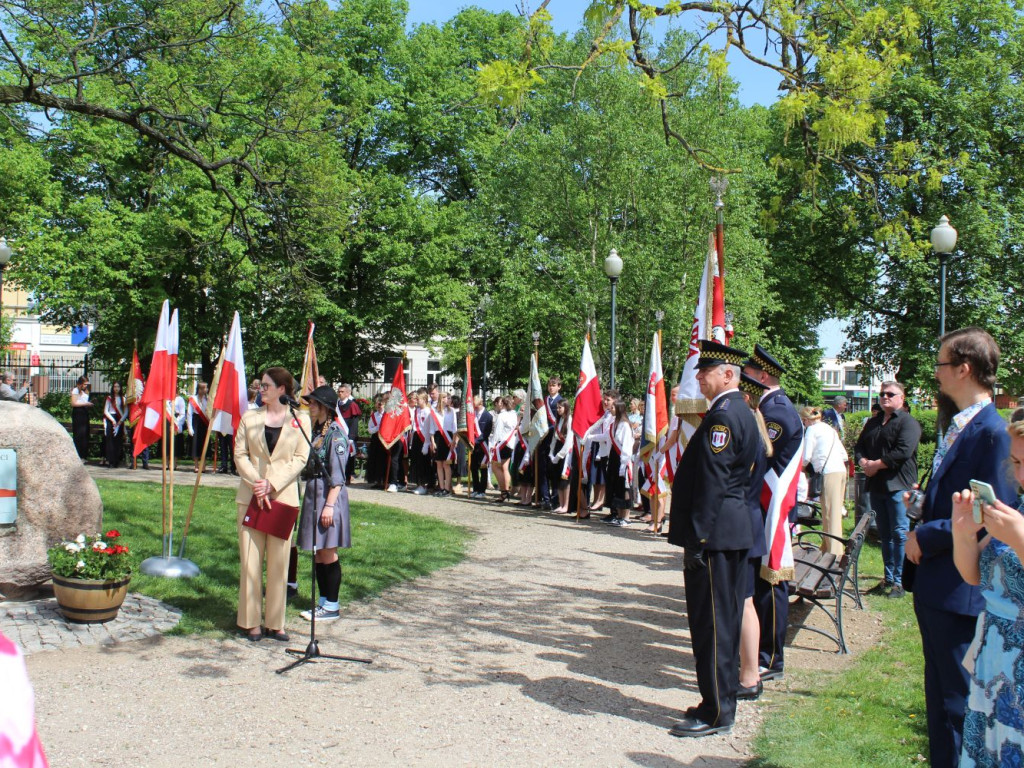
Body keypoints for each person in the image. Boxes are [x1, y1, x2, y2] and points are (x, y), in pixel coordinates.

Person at [904, 327, 1015, 768]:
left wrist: (925, 535)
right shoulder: (962, 423)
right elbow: (959, 498)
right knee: (940, 696)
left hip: (958, 587)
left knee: (956, 702)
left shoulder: (992, 432)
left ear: (963, 368)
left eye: (941, 364)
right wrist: (924, 503)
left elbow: (993, 514)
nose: (936, 374)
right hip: (938, 583)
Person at [667, 341, 757, 738]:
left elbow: (715, 483)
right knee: (716, 622)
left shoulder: (724, 416)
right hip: (727, 532)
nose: (698, 377)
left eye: (706, 371)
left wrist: (698, 538)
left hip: (715, 537)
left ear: (728, 375)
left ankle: (718, 712)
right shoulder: (736, 411)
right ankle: (713, 700)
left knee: (715, 625)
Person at [951, 410, 1024, 767]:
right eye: (1016, 462)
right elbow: (975, 576)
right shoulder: (1020, 507)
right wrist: (963, 532)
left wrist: (1020, 540)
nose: (1021, 474)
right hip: (994, 661)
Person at [233, 367, 311, 642]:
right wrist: (258, 482)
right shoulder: (249, 417)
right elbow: (240, 454)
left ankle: (275, 622)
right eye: (260, 386)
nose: (260, 389)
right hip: (251, 497)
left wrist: (272, 483)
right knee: (251, 563)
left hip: (282, 498)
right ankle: (250, 621)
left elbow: (301, 458)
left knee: (279, 563)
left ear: (282, 389)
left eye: (266, 386)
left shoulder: (299, 419)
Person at [742, 344, 803, 682]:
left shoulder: (776, 412)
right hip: (764, 503)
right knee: (763, 581)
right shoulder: (772, 407)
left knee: (770, 581)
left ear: (762, 376)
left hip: (770, 504)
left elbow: (762, 460)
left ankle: (771, 657)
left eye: (748, 374)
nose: (743, 379)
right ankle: (762, 653)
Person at [854, 380, 921, 599]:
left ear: (902, 397)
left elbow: (903, 451)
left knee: (900, 534)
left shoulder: (908, 423)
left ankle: (900, 582)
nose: (885, 397)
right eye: (882, 394)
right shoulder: (873, 423)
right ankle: (888, 578)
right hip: (878, 485)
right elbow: (860, 446)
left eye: (891, 394)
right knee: (885, 534)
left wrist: (876, 465)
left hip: (899, 486)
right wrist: (864, 461)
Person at [296, 385, 351, 622]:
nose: (311, 407)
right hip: (314, 494)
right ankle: (323, 601)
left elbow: (337, 477)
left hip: (328, 496)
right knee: (318, 552)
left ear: (326, 409)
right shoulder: (318, 432)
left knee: (328, 552)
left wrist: (329, 506)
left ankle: (332, 605)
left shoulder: (335, 434)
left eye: (315, 404)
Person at [800, 405, 849, 556]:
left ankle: (835, 553)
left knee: (830, 514)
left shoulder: (812, 430)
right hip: (840, 471)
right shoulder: (829, 429)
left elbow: (806, 457)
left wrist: (800, 468)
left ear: (806, 420)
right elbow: (844, 455)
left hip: (829, 473)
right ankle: (827, 547)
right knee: (832, 511)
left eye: (803, 421)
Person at [605, 400, 635, 527]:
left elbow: (627, 446)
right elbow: (607, 437)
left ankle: (626, 517)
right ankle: (620, 515)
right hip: (615, 459)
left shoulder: (625, 425)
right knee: (618, 487)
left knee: (625, 487)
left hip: (623, 459)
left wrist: (624, 463)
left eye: (612, 407)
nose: (610, 409)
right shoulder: (615, 423)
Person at [538, 377, 564, 509]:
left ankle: (555, 499)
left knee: (554, 470)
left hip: (556, 439)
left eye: (554, 385)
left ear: (559, 387)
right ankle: (545, 498)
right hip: (543, 439)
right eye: (549, 385)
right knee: (542, 470)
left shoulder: (561, 401)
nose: (551, 387)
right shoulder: (544, 401)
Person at [489, 395, 517, 503]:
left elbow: (497, 432)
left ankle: (504, 491)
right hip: (510, 443)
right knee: (504, 467)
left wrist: (493, 444)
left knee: (496, 466)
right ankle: (505, 490)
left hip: (502, 443)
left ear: (503, 404)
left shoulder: (502, 416)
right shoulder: (513, 414)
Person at [548, 399, 573, 513]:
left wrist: (558, 456)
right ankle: (560, 503)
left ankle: (566, 505)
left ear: (566, 408)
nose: (558, 410)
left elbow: (568, 441)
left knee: (565, 479)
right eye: (557, 408)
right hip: (557, 449)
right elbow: (554, 437)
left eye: (560, 407)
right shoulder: (559, 420)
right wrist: (551, 452)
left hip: (565, 452)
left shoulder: (569, 420)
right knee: (557, 479)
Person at [336, 384, 362, 484]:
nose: (340, 393)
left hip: (348, 435)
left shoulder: (352, 405)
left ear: (348, 393)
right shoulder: (337, 404)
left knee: (349, 457)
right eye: (339, 391)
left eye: (342, 392)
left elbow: (354, 423)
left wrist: (351, 436)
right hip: (338, 434)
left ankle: (347, 477)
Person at [469, 395, 493, 499]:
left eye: (476, 406)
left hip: (483, 446)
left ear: (480, 404)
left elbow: (486, 433)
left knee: (483, 468)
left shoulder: (488, 416)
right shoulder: (472, 415)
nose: (474, 408)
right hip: (473, 446)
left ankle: (482, 490)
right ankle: (475, 488)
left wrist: (476, 441)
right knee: (473, 467)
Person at [187, 382, 210, 472]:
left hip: (204, 423)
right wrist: (190, 427)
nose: (206, 390)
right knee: (196, 444)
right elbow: (189, 414)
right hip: (196, 422)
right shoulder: (193, 399)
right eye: (204, 388)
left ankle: (203, 465)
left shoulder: (207, 399)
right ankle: (196, 465)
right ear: (200, 389)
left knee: (204, 444)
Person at [103, 382, 127, 468]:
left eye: (118, 386)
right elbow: (106, 411)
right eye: (115, 386)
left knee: (118, 441)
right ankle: (110, 461)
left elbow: (126, 412)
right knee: (110, 441)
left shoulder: (123, 398)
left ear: (120, 388)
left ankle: (116, 460)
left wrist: (120, 421)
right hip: (111, 419)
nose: (116, 388)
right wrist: (112, 420)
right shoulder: (109, 398)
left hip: (119, 419)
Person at [70, 376, 93, 460]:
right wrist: (85, 404)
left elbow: (85, 400)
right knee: (79, 434)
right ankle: (78, 455)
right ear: (80, 383)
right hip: (78, 413)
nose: (85, 386)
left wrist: (89, 404)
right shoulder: (75, 390)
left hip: (84, 412)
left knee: (85, 434)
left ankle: (84, 455)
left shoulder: (86, 391)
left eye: (87, 384)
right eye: (84, 384)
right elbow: (73, 403)